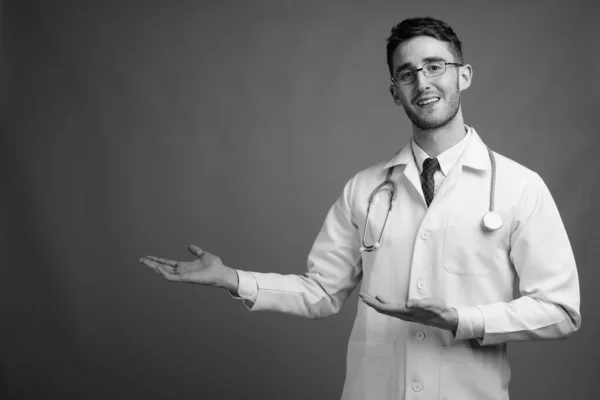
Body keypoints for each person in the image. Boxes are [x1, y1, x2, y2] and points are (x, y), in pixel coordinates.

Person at [139, 16, 581, 400]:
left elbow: (561, 310)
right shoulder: (364, 189)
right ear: (394, 92)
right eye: (406, 74)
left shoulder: (521, 187)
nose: (422, 82)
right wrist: (232, 279)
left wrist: (464, 319)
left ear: (463, 75)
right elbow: (321, 292)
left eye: (435, 67)